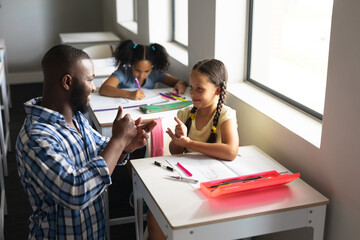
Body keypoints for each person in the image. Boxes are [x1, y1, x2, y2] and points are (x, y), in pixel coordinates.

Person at [15, 44, 157, 239]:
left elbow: (100, 149)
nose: (94, 87)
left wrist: (124, 146)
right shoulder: (36, 137)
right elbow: (76, 191)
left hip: (94, 231)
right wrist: (118, 140)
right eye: (90, 80)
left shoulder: (76, 117)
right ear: (67, 82)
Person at [147, 59, 239, 240]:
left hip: (214, 181)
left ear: (217, 91)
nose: (193, 93)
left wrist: (189, 143)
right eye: (191, 87)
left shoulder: (225, 115)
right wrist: (179, 141)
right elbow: (175, 152)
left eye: (200, 88)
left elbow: (230, 151)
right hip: (187, 176)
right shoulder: (185, 113)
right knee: (155, 212)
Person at [98, 39, 188, 100]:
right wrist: (129, 94)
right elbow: (104, 89)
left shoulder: (155, 73)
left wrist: (181, 84)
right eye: (137, 70)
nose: (142, 75)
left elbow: (180, 81)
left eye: (146, 71)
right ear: (131, 64)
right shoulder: (123, 72)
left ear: (151, 67)